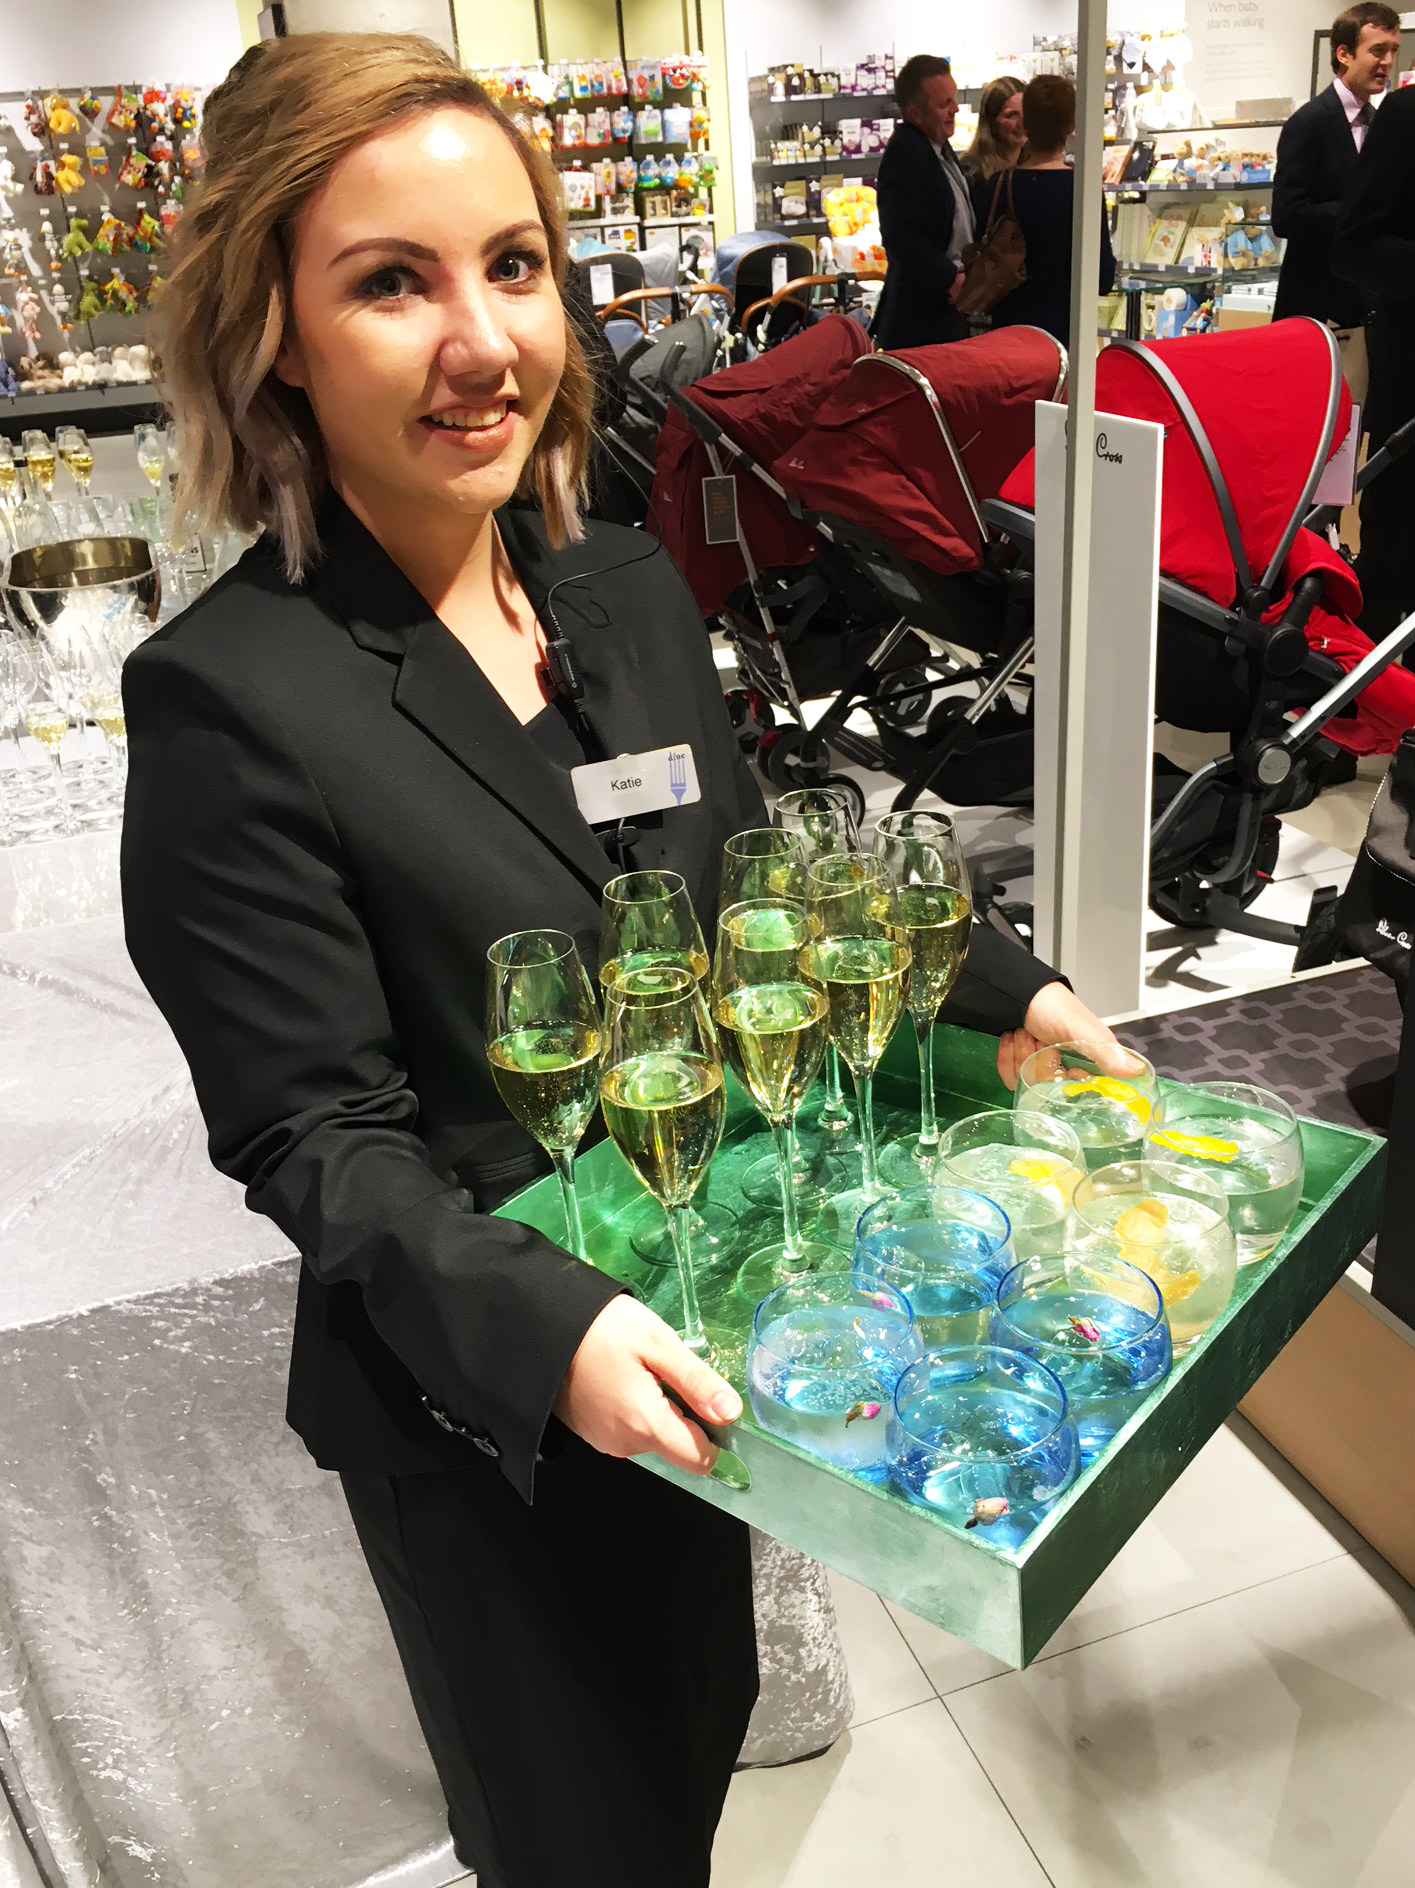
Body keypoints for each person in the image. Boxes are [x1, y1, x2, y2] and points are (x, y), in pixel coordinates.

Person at [121, 32, 1129, 1888]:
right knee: (579, 1831)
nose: (481, 341)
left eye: (511, 265)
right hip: (493, 1403)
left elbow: (757, 875)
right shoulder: (228, 700)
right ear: (272, 331)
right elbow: (314, 1138)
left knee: (691, 1752)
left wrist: (1012, 987)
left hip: (705, 1306)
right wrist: (554, 1327)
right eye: (389, 283)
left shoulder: (617, 584)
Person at [1272, 1, 1401, 409]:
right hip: (1317, 313)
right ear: (1343, 54)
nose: (1388, 62)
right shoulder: (1309, 123)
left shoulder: (1383, 124)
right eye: (1378, 50)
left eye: (1393, 51)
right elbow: (1287, 214)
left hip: (1369, 312)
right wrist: (1356, 216)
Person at [1333, 78, 1415, 639]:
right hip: (1412, 396)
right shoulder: (1407, 115)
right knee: (1393, 562)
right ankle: (1373, 713)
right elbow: (1353, 245)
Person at [974, 75, 1116, 347]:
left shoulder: (999, 186)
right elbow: (1102, 277)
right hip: (1066, 334)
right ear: (1071, 126)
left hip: (1007, 334)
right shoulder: (1082, 188)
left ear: (1026, 124)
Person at [874, 53, 975, 348]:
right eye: (945, 104)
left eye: (953, 99)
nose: (955, 109)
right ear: (916, 113)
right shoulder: (905, 156)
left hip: (944, 310)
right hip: (920, 322)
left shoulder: (938, 147)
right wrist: (949, 278)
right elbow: (902, 238)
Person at [964, 75, 1026, 184]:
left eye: (1026, 113)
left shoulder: (1034, 166)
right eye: (1012, 115)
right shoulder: (972, 173)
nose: (1022, 123)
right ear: (990, 120)